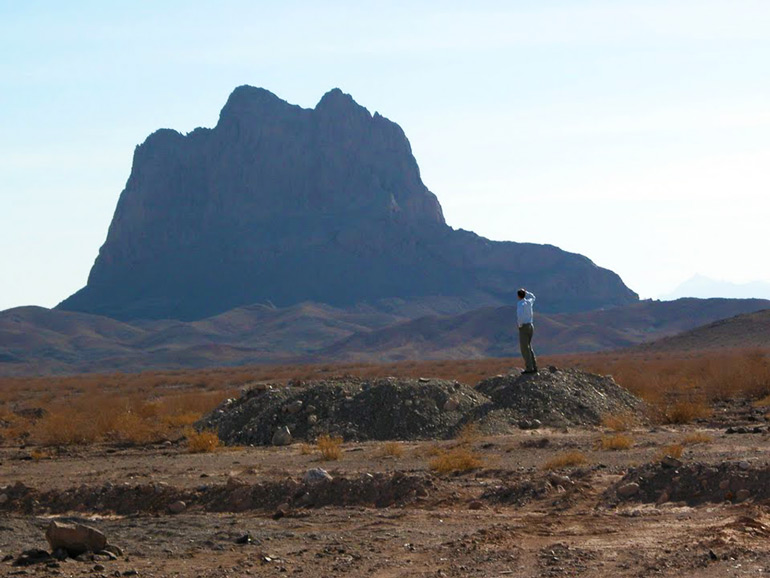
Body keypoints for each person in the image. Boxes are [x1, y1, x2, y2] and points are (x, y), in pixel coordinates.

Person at [516, 288, 537, 374]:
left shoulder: (520, 304)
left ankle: (529, 368)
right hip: (531, 325)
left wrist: (519, 325)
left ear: (518, 296)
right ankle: (534, 366)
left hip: (524, 327)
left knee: (524, 348)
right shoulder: (529, 302)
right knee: (529, 346)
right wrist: (527, 292)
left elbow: (519, 316)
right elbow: (533, 297)